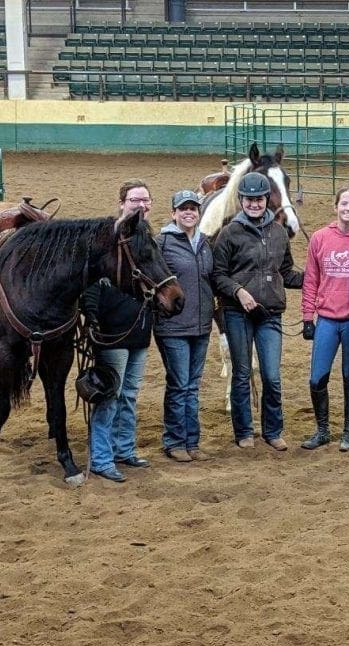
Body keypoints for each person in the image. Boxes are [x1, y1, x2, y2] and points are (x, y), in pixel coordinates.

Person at [212, 171, 303, 450]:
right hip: (237, 313)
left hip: (270, 314)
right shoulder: (228, 233)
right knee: (241, 373)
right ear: (241, 200)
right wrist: (239, 292)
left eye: (259, 199)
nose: (254, 204)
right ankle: (244, 432)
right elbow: (218, 274)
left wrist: (318, 278)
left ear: (267, 200)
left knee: (272, 375)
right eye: (249, 199)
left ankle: (273, 431)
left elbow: (285, 272)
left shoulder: (278, 233)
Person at [81, 179, 155, 483]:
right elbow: (88, 286)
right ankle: (101, 457)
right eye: (135, 200)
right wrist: (93, 320)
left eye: (146, 200)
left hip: (139, 329)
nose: (141, 205)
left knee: (130, 395)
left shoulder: (148, 238)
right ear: (122, 203)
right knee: (109, 395)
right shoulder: (106, 239)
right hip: (112, 333)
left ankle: (124, 449)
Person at [300, 187, 349, 452]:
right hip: (327, 318)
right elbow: (311, 279)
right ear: (335, 206)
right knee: (317, 377)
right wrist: (308, 316)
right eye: (344, 203)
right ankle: (322, 429)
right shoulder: (319, 238)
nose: (348, 208)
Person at [154, 189, 215, 463]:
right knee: (179, 385)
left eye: (193, 208)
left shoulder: (205, 243)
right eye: (183, 209)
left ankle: (192, 442)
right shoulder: (162, 243)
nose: (189, 213)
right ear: (173, 213)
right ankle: (174, 441)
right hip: (173, 326)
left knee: (192, 386)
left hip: (201, 325)